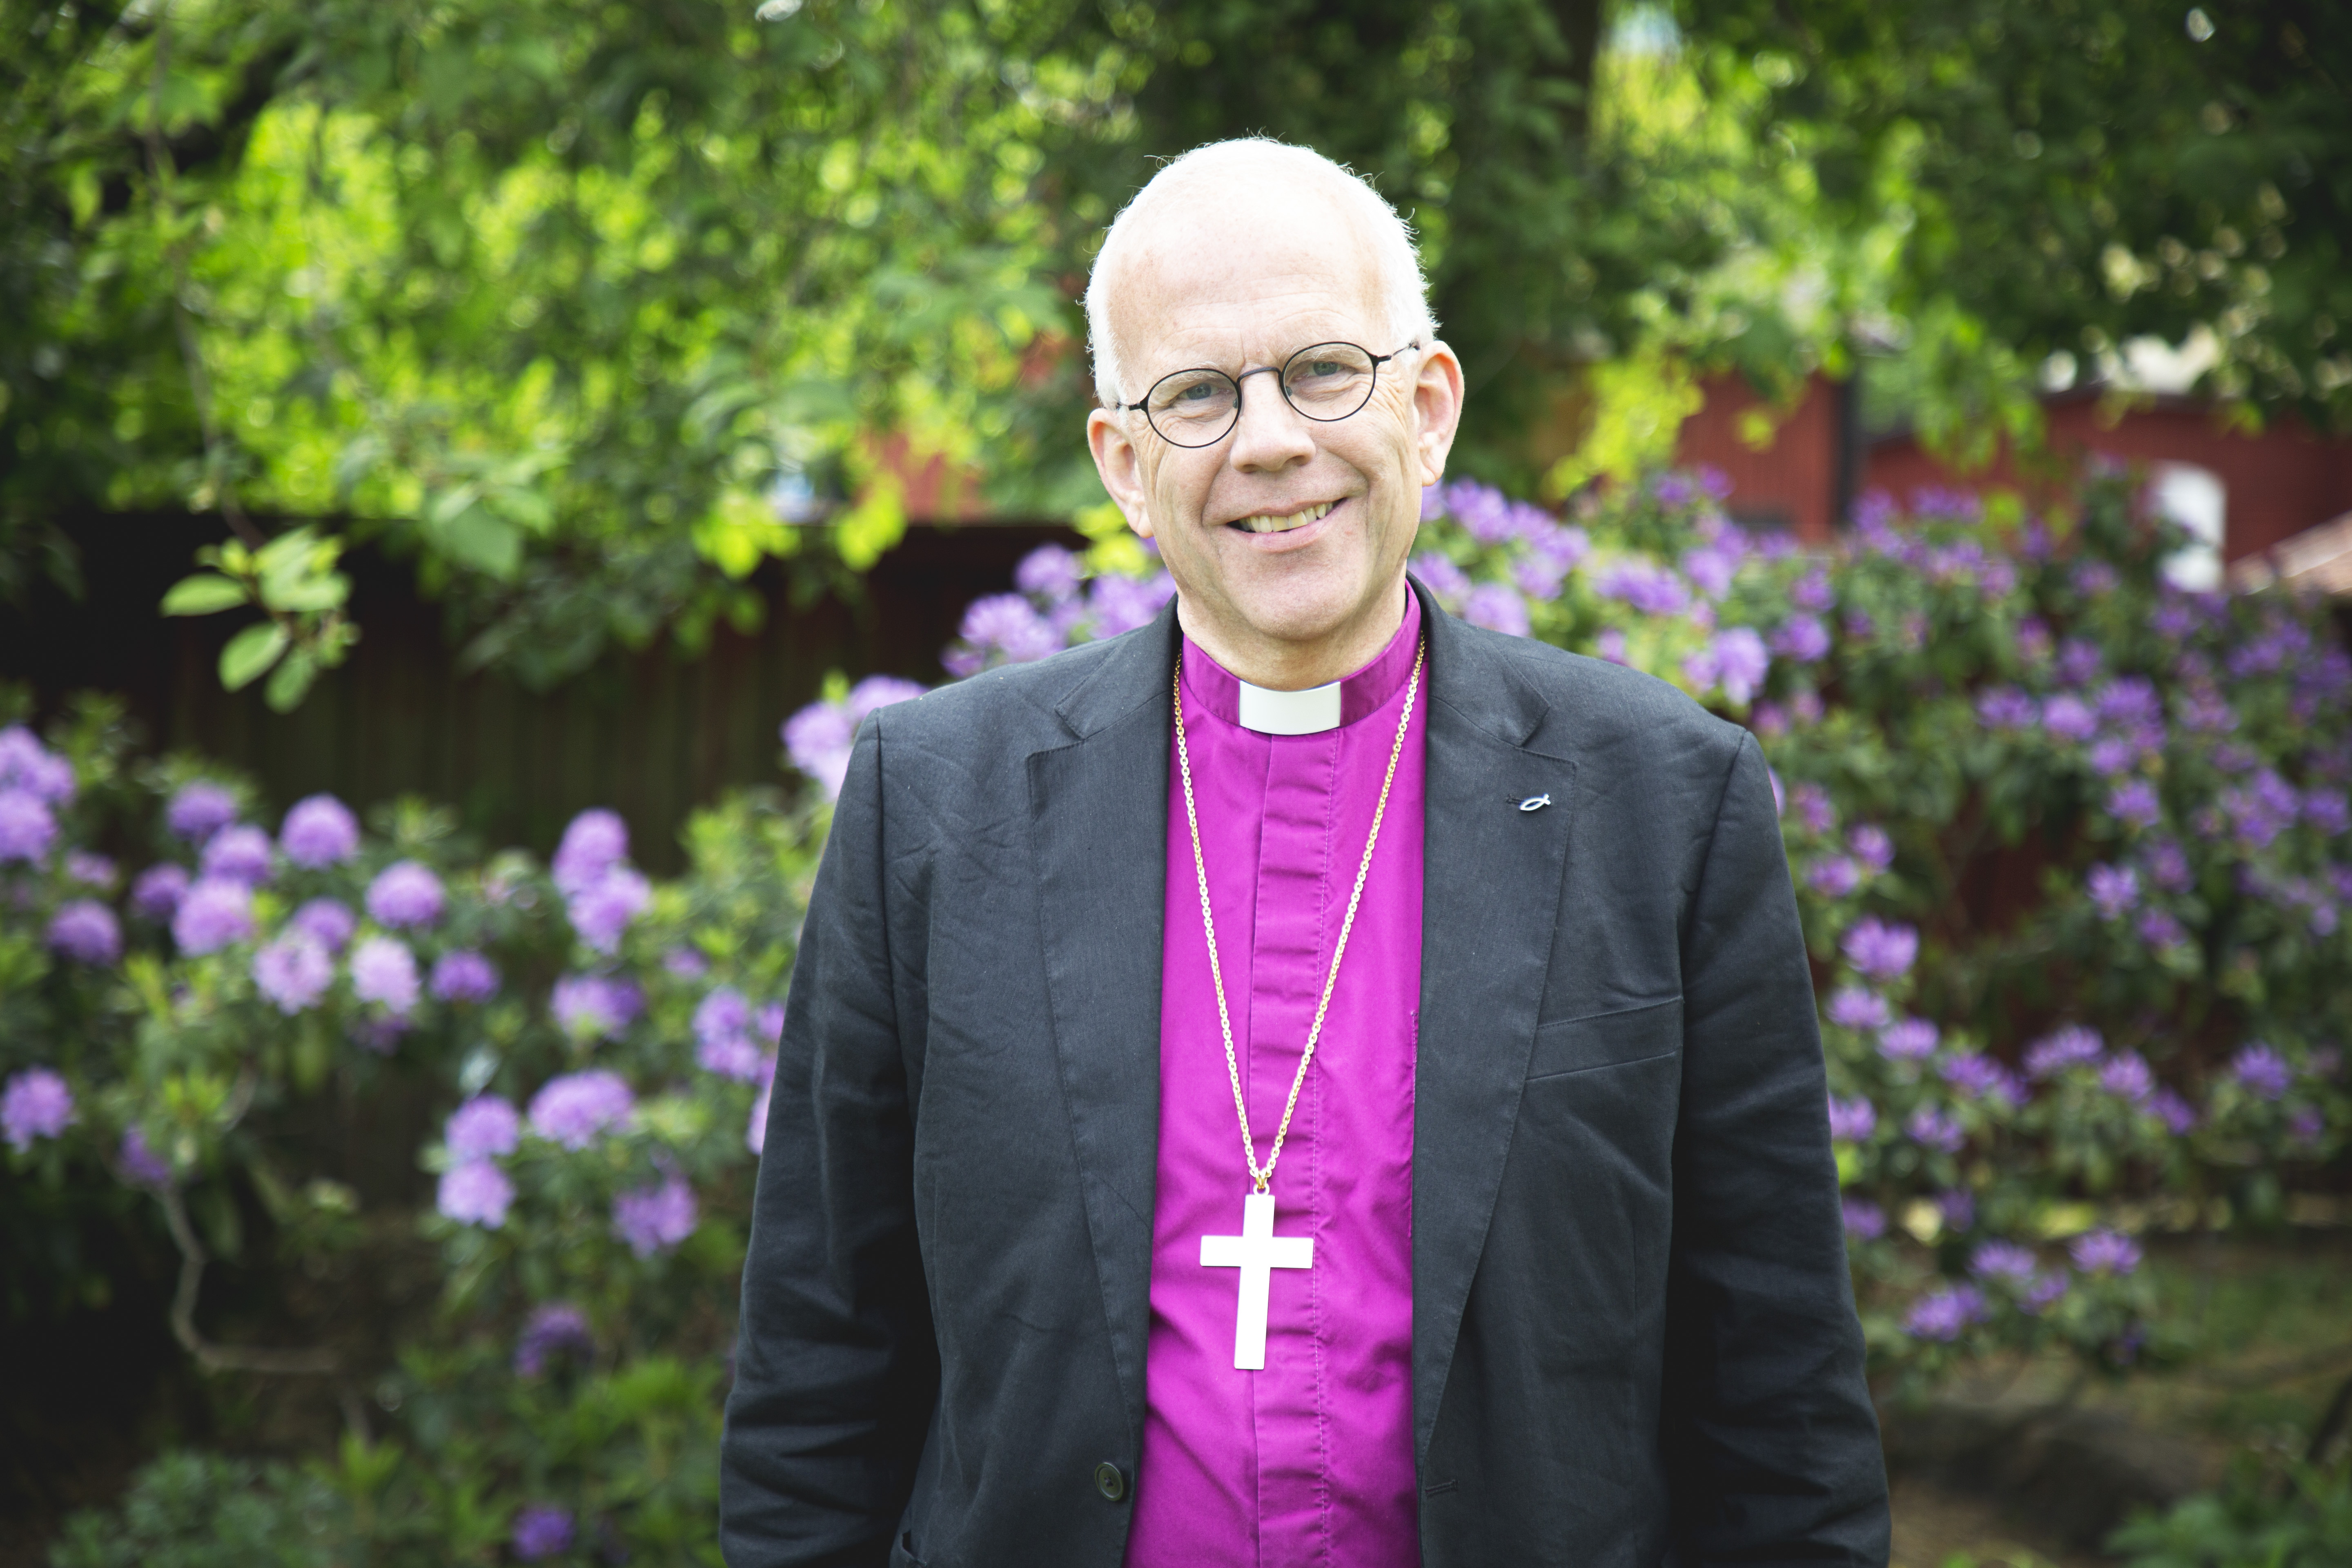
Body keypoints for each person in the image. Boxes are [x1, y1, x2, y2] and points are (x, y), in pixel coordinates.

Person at [721, 138, 1889, 1567]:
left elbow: (1781, 1408)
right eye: (1199, 396)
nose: (1270, 441)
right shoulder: (933, 807)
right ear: (1126, 465)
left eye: (1325, 371)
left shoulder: (1664, 807)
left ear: (1430, 408)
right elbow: (815, 1373)